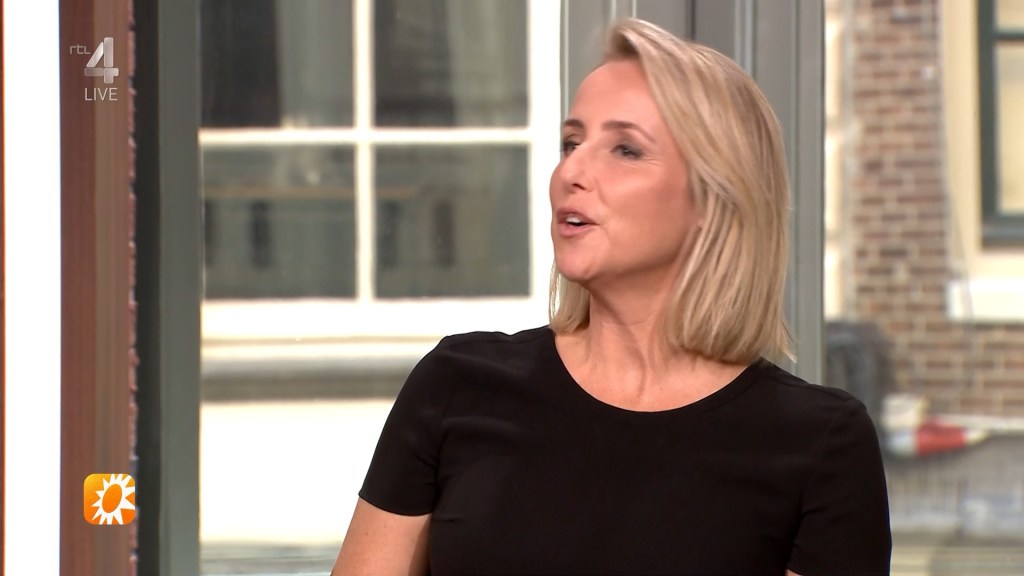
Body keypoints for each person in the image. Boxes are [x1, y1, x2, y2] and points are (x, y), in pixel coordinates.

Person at [333, 18, 891, 576]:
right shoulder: (456, 384)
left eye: (625, 149)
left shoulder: (820, 443)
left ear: (712, 199)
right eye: (571, 143)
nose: (571, 171)